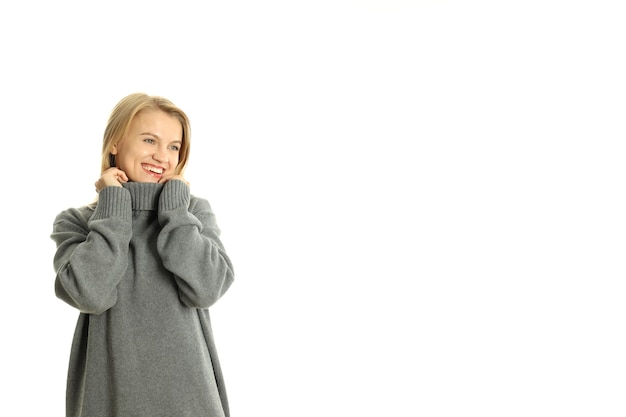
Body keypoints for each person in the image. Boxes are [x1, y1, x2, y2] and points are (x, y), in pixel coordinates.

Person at [50, 93, 235, 417]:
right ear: (115, 144)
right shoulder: (77, 222)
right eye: (150, 140)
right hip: (110, 397)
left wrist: (175, 210)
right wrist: (113, 206)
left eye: (174, 146)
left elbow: (207, 288)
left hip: (192, 402)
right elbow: (90, 294)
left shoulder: (192, 213)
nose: (162, 156)